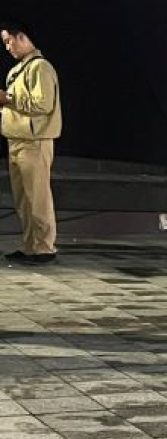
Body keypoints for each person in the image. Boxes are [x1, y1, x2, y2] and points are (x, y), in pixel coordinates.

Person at [0, 17, 61, 264]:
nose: (7, 47)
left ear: (22, 37)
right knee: (24, 200)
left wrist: (8, 99)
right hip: (17, 139)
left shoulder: (40, 67)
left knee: (38, 198)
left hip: (34, 142)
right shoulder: (20, 69)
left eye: (8, 41)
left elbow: (43, 104)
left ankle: (44, 248)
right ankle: (30, 247)